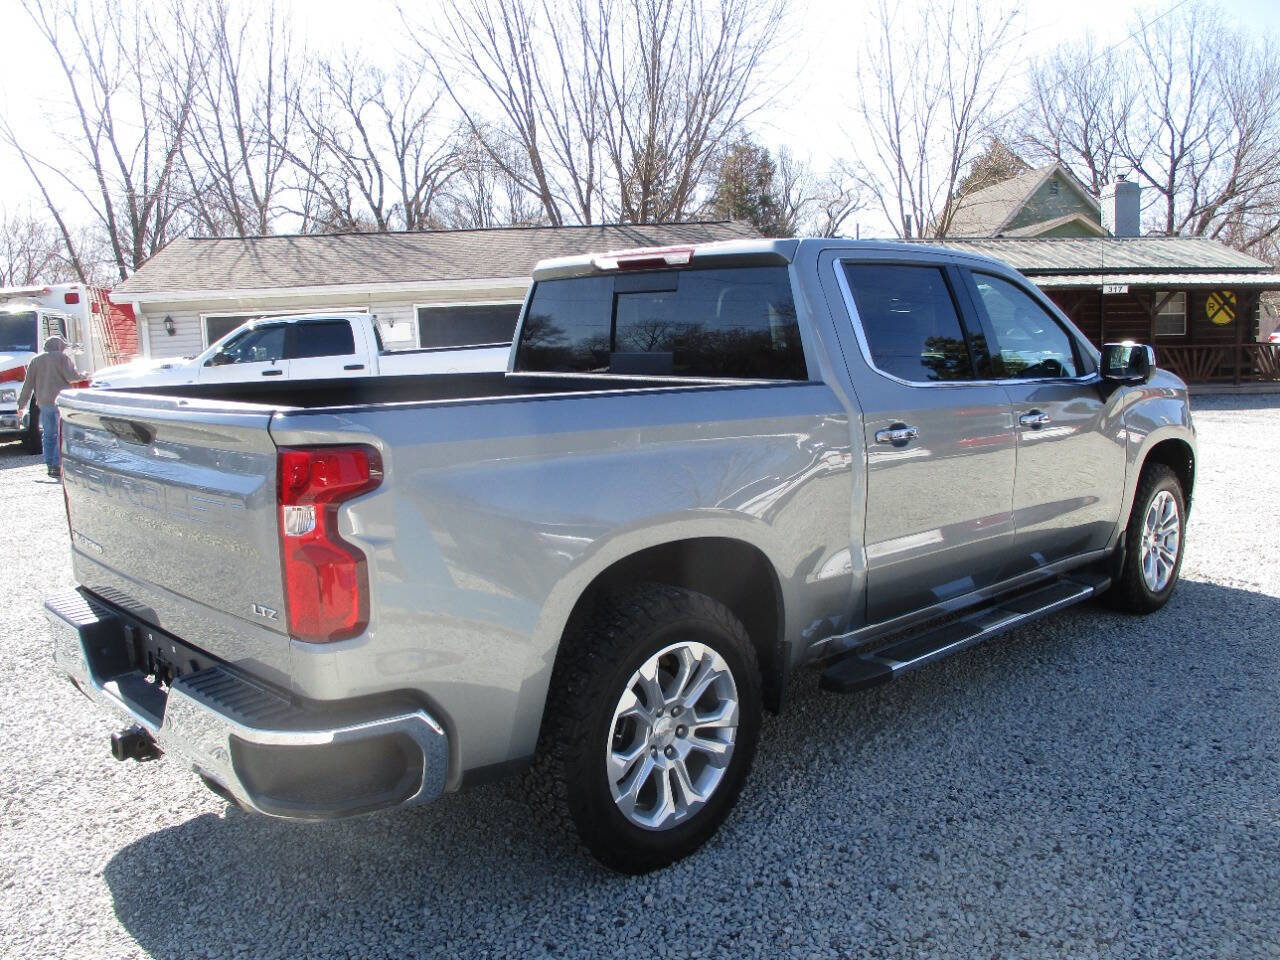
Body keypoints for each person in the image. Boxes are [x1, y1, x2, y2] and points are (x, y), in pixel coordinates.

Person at [16, 336, 84, 479]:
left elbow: (27, 385)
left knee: (48, 434)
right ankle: (59, 463)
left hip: (44, 402)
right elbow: (72, 377)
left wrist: (21, 405)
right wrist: (83, 375)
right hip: (61, 402)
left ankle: (50, 465)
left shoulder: (35, 360)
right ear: (59, 346)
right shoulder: (62, 358)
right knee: (61, 433)